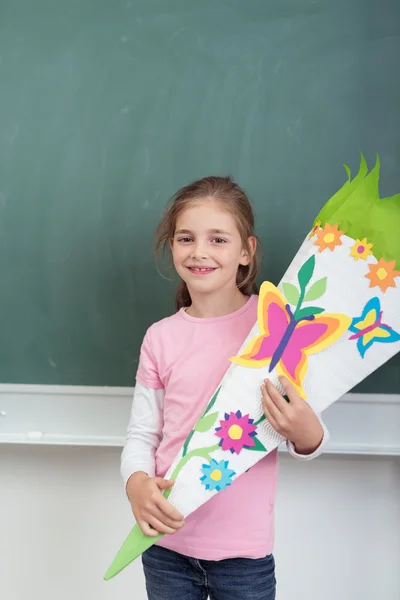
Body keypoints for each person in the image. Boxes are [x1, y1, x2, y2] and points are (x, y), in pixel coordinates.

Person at [121, 176, 329, 600]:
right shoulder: (160, 338)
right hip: (164, 547)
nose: (199, 252)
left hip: (243, 558)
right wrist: (136, 482)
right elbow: (143, 434)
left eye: (217, 239)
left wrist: (309, 435)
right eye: (185, 238)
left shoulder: (277, 329)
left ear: (246, 252)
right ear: (171, 245)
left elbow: (304, 433)